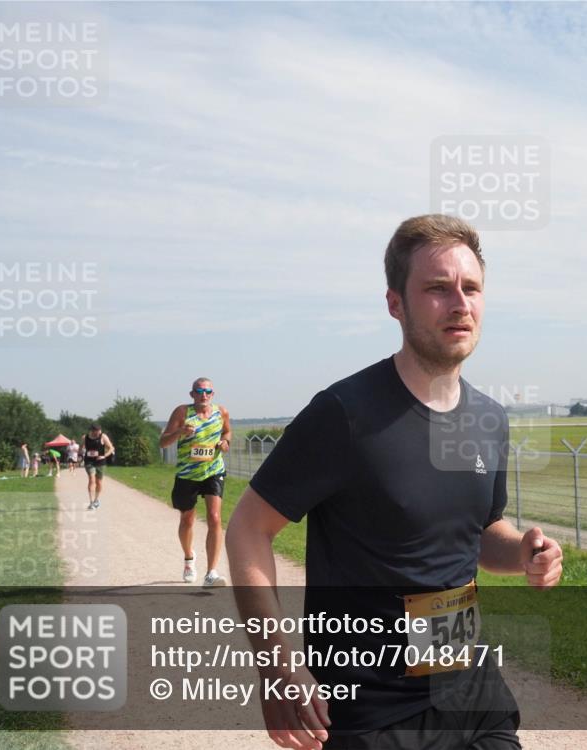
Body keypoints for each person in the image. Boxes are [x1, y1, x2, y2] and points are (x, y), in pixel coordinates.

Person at [226, 214, 563, 750]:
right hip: (370, 711)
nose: (460, 303)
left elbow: (480, 533)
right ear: (395, 303)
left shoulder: (489, 419)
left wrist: (521, 550)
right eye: (436, 288)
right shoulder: (345, 413)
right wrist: (277, 668)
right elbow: (248, 527)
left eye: (471, 288)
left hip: (471, 694)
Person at [159, 378, 232, 587]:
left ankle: (211, 573)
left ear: (213, 394)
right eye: (199, 391)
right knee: (187, 520)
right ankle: (189, 558)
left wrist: (225, 442)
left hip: (213, 470)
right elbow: (163, 442)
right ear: (192, 394)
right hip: (187, 473)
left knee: (215, 518)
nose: (204, 395)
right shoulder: (182, 412)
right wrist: (179, 432)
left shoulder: (221, 412)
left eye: (208, 391)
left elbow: (227, 431)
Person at [81, 424, 115, 510]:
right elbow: (83, 447)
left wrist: (104, 456)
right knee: (91, 480)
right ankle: (91, 502)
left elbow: (111, 448)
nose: (99, 432)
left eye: (99, 430)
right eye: (97, 431)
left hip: (100, 462)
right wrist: (82, 451)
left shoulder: (103, 436)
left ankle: (96, 500)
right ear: (92, 431)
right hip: (89, 461)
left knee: (99, 482)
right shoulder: (85, 437)